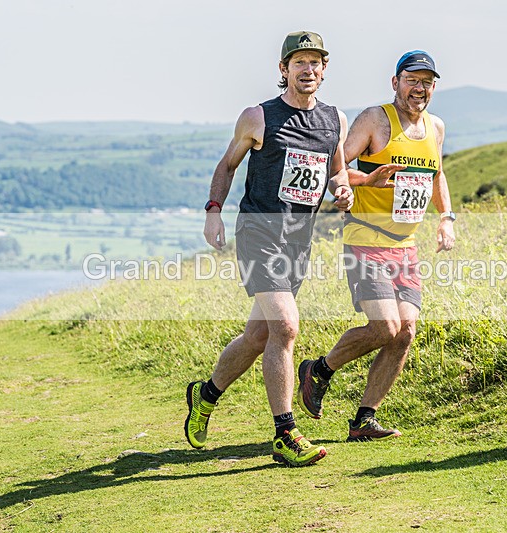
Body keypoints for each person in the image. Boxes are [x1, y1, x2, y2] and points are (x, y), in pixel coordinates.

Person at [185, 31, 353, 466]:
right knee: (286, 327)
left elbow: (337, 172)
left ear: (324, 69)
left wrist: (343, 189)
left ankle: (204, 396)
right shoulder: (258, 117)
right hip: (259, 234)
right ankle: (284, 433)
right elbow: (227, 165)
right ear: (284, 70)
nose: (308, 70)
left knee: (258, 335)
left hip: (298, 241)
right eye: (300, 62)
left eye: (316, 62)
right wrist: (212, 209)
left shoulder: (335, 119)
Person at [297, 50, 455, 441]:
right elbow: (334, 168)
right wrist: (369, 181)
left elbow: (437, 174)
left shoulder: (435, 127)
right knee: (385, 325)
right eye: (412, 80)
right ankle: (319, 370)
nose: (419, 88)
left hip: (406, 244)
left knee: (405, 332)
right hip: (365, 239)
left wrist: (446, 218)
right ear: (395, 82)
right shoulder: (374, 119)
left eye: (426, 82)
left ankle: (364, 419)